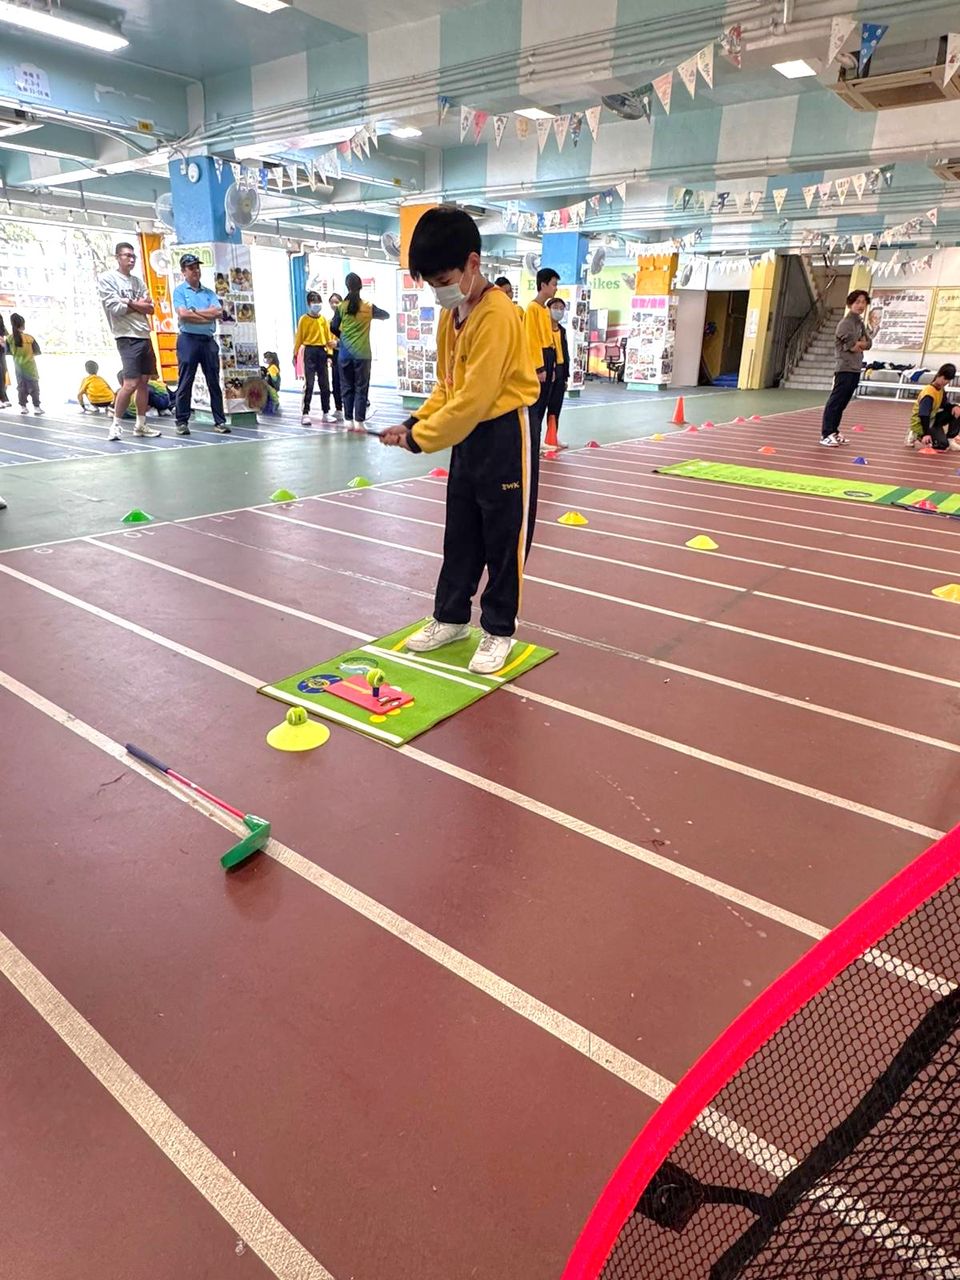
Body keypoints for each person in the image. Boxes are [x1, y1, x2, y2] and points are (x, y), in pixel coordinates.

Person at [379, 206, 540, 675]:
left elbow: (473, 400)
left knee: (503, 537)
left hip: (504, 433)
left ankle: (499, 629)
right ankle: (450, 618)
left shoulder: (498, 314)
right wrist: (413, 421)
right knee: (461, 532)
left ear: (473, 263)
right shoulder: (451, 316)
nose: (439, 290)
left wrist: (419, 439)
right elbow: (448, 388)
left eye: (444, 280)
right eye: (431, 283)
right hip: (465, 437)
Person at [97, 241, 161, 441]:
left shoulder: (138, 282)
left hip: (144, 335)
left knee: (144, 382)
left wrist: (129, 302)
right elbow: (115, 308)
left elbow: (150, 308)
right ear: (118, 257)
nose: (131, 259)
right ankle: (115, 425)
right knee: (130, 383)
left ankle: (141, 425)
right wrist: (137, 304)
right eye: (127, 255)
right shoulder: (108, 279)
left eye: (133, 256)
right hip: (126, 336)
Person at [171, 253, 230, 437]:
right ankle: (182, 422)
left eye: (197, 267)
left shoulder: (209, 293)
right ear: (183, 271)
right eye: (191, 268)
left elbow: (218, 313)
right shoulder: (180, 291)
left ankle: (219, 421)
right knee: (185, 381)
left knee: (214, 381)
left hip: (207, 340)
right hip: (188, 340)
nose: (195, 270)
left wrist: (195, 312)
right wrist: (206, 315)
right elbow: (183, 315)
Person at [330, 272, 388, 431]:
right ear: (361, 286)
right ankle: (359, 422)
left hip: (344, 354)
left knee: (346, 387)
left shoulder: (341, 307)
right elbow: (386, 315)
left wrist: (344, 337)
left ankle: (348, 421)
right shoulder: (368, 307)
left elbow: (333, 326)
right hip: (363, 354)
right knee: (361, 388)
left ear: (347, 286)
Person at [820, 289, 873, 447]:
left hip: (856, 367)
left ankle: (834, 431)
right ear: (850, 304)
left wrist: (862, 343)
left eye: (863, 302)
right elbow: (852, 346)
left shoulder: (860, 323)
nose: (861, 305)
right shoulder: (845, 324)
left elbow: (869, 343)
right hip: (844, 367)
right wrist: (860, 343)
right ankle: (826, 433)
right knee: (836, 401)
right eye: (857, 302)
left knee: (843, 402)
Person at [523, 267, 560, 438]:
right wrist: (539, 367)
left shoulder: (545, 309)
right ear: (543, 285)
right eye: (553, 284)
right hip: (540, 358)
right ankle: (531, 440)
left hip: (549, 356)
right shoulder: (532, 308)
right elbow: (532, 339)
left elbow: (549, 338)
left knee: (544, 402)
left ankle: (537, 440)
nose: (556, 288)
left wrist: (553, 364)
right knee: (536, 405)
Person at [293, 290, 333, 425]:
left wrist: (330, 354)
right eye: (314, 302)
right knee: (309, 384)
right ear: (309, 304)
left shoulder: (323, 320)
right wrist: (295, 354)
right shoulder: (303, 319)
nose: (317, 304)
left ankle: (326, 412)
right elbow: (299, 338)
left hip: (322, 351)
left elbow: (328, 338)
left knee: (325, 384)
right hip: (309, 351)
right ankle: (305, 413)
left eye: (319, 302)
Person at [905, 364, 960, 451]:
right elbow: (924, 415)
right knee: (942, 445)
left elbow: (945, 405)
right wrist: (926, 434)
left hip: (932, 419)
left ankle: (951, 439)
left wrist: (955, 406)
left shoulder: (940, 389)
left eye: (948, 380)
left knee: (957, 410)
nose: (946, 382)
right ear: (939, 375)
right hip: (921, 422)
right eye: (944, 378)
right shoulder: (928, 393)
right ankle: (915, 434)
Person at [544, 296, 570, 450]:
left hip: (560, 371)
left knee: (555, 406)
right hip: (547, 371)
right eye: (555, 308)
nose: (558, 311)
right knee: (541, 407)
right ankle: (537, 439)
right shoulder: (543, 329)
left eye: (561, 308)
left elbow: (565, 353)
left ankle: (552, 437)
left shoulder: (562, 330)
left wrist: (565, 375)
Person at [6, 313, 43, 415]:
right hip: (30, 368)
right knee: (34, 387)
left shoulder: (9, 339)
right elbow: (38, 352)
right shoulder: (29, 338)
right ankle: (36, 407)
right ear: (23, 325)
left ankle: (23, 407)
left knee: (21, 388)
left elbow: (7, 352)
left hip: (18, 368)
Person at [326, 292, 344, 421]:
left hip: (347, 354)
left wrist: (338, 343)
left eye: (337, 302)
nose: (334, 304)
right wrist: (329, 355)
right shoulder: (330, 321)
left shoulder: (347, 319)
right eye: (332, 302)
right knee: (336, 381)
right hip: (335, 354)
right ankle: (338, 409)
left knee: (349, 381)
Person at [261, 351, 282, 416]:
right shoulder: (272, 366)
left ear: (271, 359)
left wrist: (266, 377)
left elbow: (274, 379)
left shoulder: (272, 367)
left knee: (272, 398)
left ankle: (271, 410)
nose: (266, 360)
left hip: (271, 386)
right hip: (271, 386)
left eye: (267, 358)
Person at [0, 314, 11, 409]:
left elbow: (7, 336)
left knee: (3, 374)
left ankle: (3, 397)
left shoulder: (1, 325)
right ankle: (3, 398)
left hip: (1, 352)